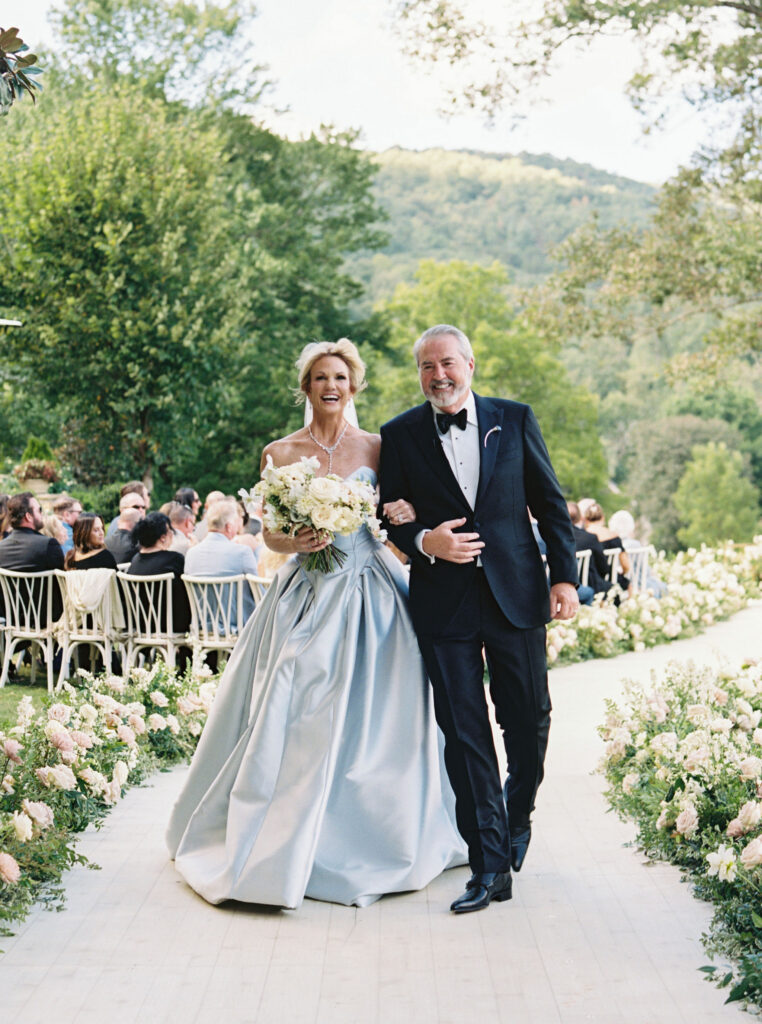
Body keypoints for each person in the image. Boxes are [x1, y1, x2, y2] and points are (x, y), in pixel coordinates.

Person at [167, 338, 465, 909]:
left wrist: (401, 514)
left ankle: (381, 831)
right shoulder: (280, 453)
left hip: (373, 588)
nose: (331, 386)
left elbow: (400, 512)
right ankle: (281, 836)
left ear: (353, 386)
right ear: (306, 387)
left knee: (388, 708)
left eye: (341, 377)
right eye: (321, 377)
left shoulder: (379, 447)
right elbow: (269, 534)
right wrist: (295, 539)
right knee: (293, 698)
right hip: (306, 589)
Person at [378, 324, 579, 914]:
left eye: (447, 363)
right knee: (465, 737)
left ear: (470, 363)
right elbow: (390, 518)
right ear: (418, 373)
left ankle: (518, 816)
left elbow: (550, 503)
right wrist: (424, 540)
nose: (438, 375)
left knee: (530, 720)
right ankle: (489, 866)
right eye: (426, 366)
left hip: (516, 593)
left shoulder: (514, 419)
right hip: (445, 602)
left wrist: (563, 577)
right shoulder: (400, 434)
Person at [184, 498, 259, 630]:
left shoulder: (191, 554)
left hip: (202, 628)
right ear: (229, 527)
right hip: (238, 628)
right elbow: (258, 593)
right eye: (237, 523)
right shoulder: (242, 552)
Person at [0, 492, 65, 621]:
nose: (41, 514)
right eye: (39, 510)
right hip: (46, 620)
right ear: (29, 516)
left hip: (10, 619)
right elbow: (62, 586)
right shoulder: (48, 545)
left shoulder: (1, 548)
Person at [126, 512, 191, 634]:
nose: (172, 534)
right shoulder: (174, 559)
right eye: (171, 531)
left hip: (140, 625)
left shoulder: (135, 560)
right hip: (171, 625)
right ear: (163, 537)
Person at [567, 501, 612, 600]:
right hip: (585, 583)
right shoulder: (589, 538)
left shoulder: (555, 537)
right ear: (579, 518)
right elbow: (604, 568)